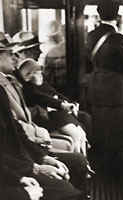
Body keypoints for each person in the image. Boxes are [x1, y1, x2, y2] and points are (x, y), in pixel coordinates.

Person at [0, 40, 88, 194]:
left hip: (21, 156)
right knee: (68, 186)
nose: (15, 58)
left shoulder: (11, 78)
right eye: (9, 54)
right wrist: (33, 168)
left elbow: (15, 129)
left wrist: (42, 158)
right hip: (14, 167)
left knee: (77, 161)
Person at [86, 0, 123, 177]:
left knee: (102, 131)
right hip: (119, 94)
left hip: (97, 90)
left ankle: (102, 171)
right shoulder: (120, 39)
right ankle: (119, 174)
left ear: (99, 15)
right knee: (121, 134)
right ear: (117, 16)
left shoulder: (91, 36)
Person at [16, 58, 88, 155]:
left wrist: (69, 102)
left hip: (57, 114)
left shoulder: (43, 84)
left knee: (81, 134)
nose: (41, 74)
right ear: (29, 75)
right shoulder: (30, 89)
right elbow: (43, 98)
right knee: (76, 135)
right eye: (37, 72)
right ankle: (81, 159)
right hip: (48, 117)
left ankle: (86, 161)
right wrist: (62, 105)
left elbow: (55, 94)